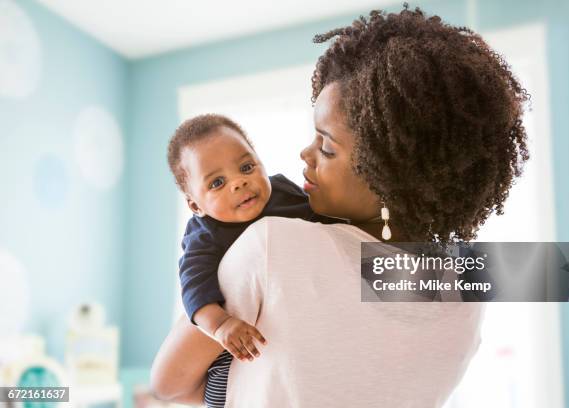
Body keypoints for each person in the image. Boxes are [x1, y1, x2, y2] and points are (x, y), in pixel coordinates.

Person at [151, 5, 529, 407]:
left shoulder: (273, 246)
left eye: (326, 147)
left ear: (388, 174)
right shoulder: (468, 290)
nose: (305, 154)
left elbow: (168, 384)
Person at [167, 113, 340, 408]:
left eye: (247, 167)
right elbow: (194, 289)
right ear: (195, 204)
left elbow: (323, 225)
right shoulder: (204, 232)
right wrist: (221, 326)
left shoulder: (284, 191)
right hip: (232, 342)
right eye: (217, 182)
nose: (239, 183)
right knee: (226, 383)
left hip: (292, 330)